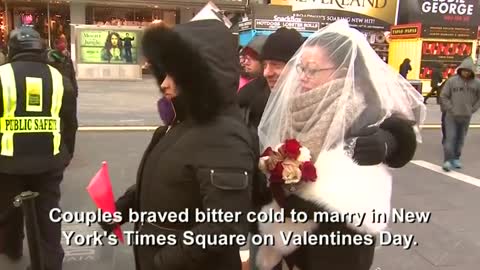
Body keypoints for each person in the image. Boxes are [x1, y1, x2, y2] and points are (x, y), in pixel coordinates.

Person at [254, 20, 425, 270]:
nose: (302, 77)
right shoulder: (295, 106)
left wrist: (389, 142)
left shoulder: (360, 106)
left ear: (343, 71)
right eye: (300, 68)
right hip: (292, 243)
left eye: (311, 70)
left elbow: (399, 129)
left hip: (339, 248)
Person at [100, 20, 256, 270]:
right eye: (164, 72)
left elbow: (225, 224)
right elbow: (170, 179)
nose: (164, 84)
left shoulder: (224, 136)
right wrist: (124, 206)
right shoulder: (185, 122)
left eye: (176, 75)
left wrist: (165, 261)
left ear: (203, 75)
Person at [0, 27, 77, 270]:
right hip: (49, 162)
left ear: (11, 49)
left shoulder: (1, 76)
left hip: (7, 164)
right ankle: (50, 264)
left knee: (8, 213)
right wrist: (67, 155)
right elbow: (70, 123)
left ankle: (12, 249)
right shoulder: (59, 78)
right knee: (49, 217)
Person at [440, 57, 480, 171]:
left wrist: (473, 108)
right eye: (464, 70)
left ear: (471, 71)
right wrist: (450, 108)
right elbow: (444, 95)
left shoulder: (477, 83)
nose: (466, 73)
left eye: (468, 71)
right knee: (450, 138)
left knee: (460, 138)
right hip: (451, 116)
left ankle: (456, 158)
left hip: (466, 116)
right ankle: (447, 160)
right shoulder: (452, 81)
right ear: (460, 69)